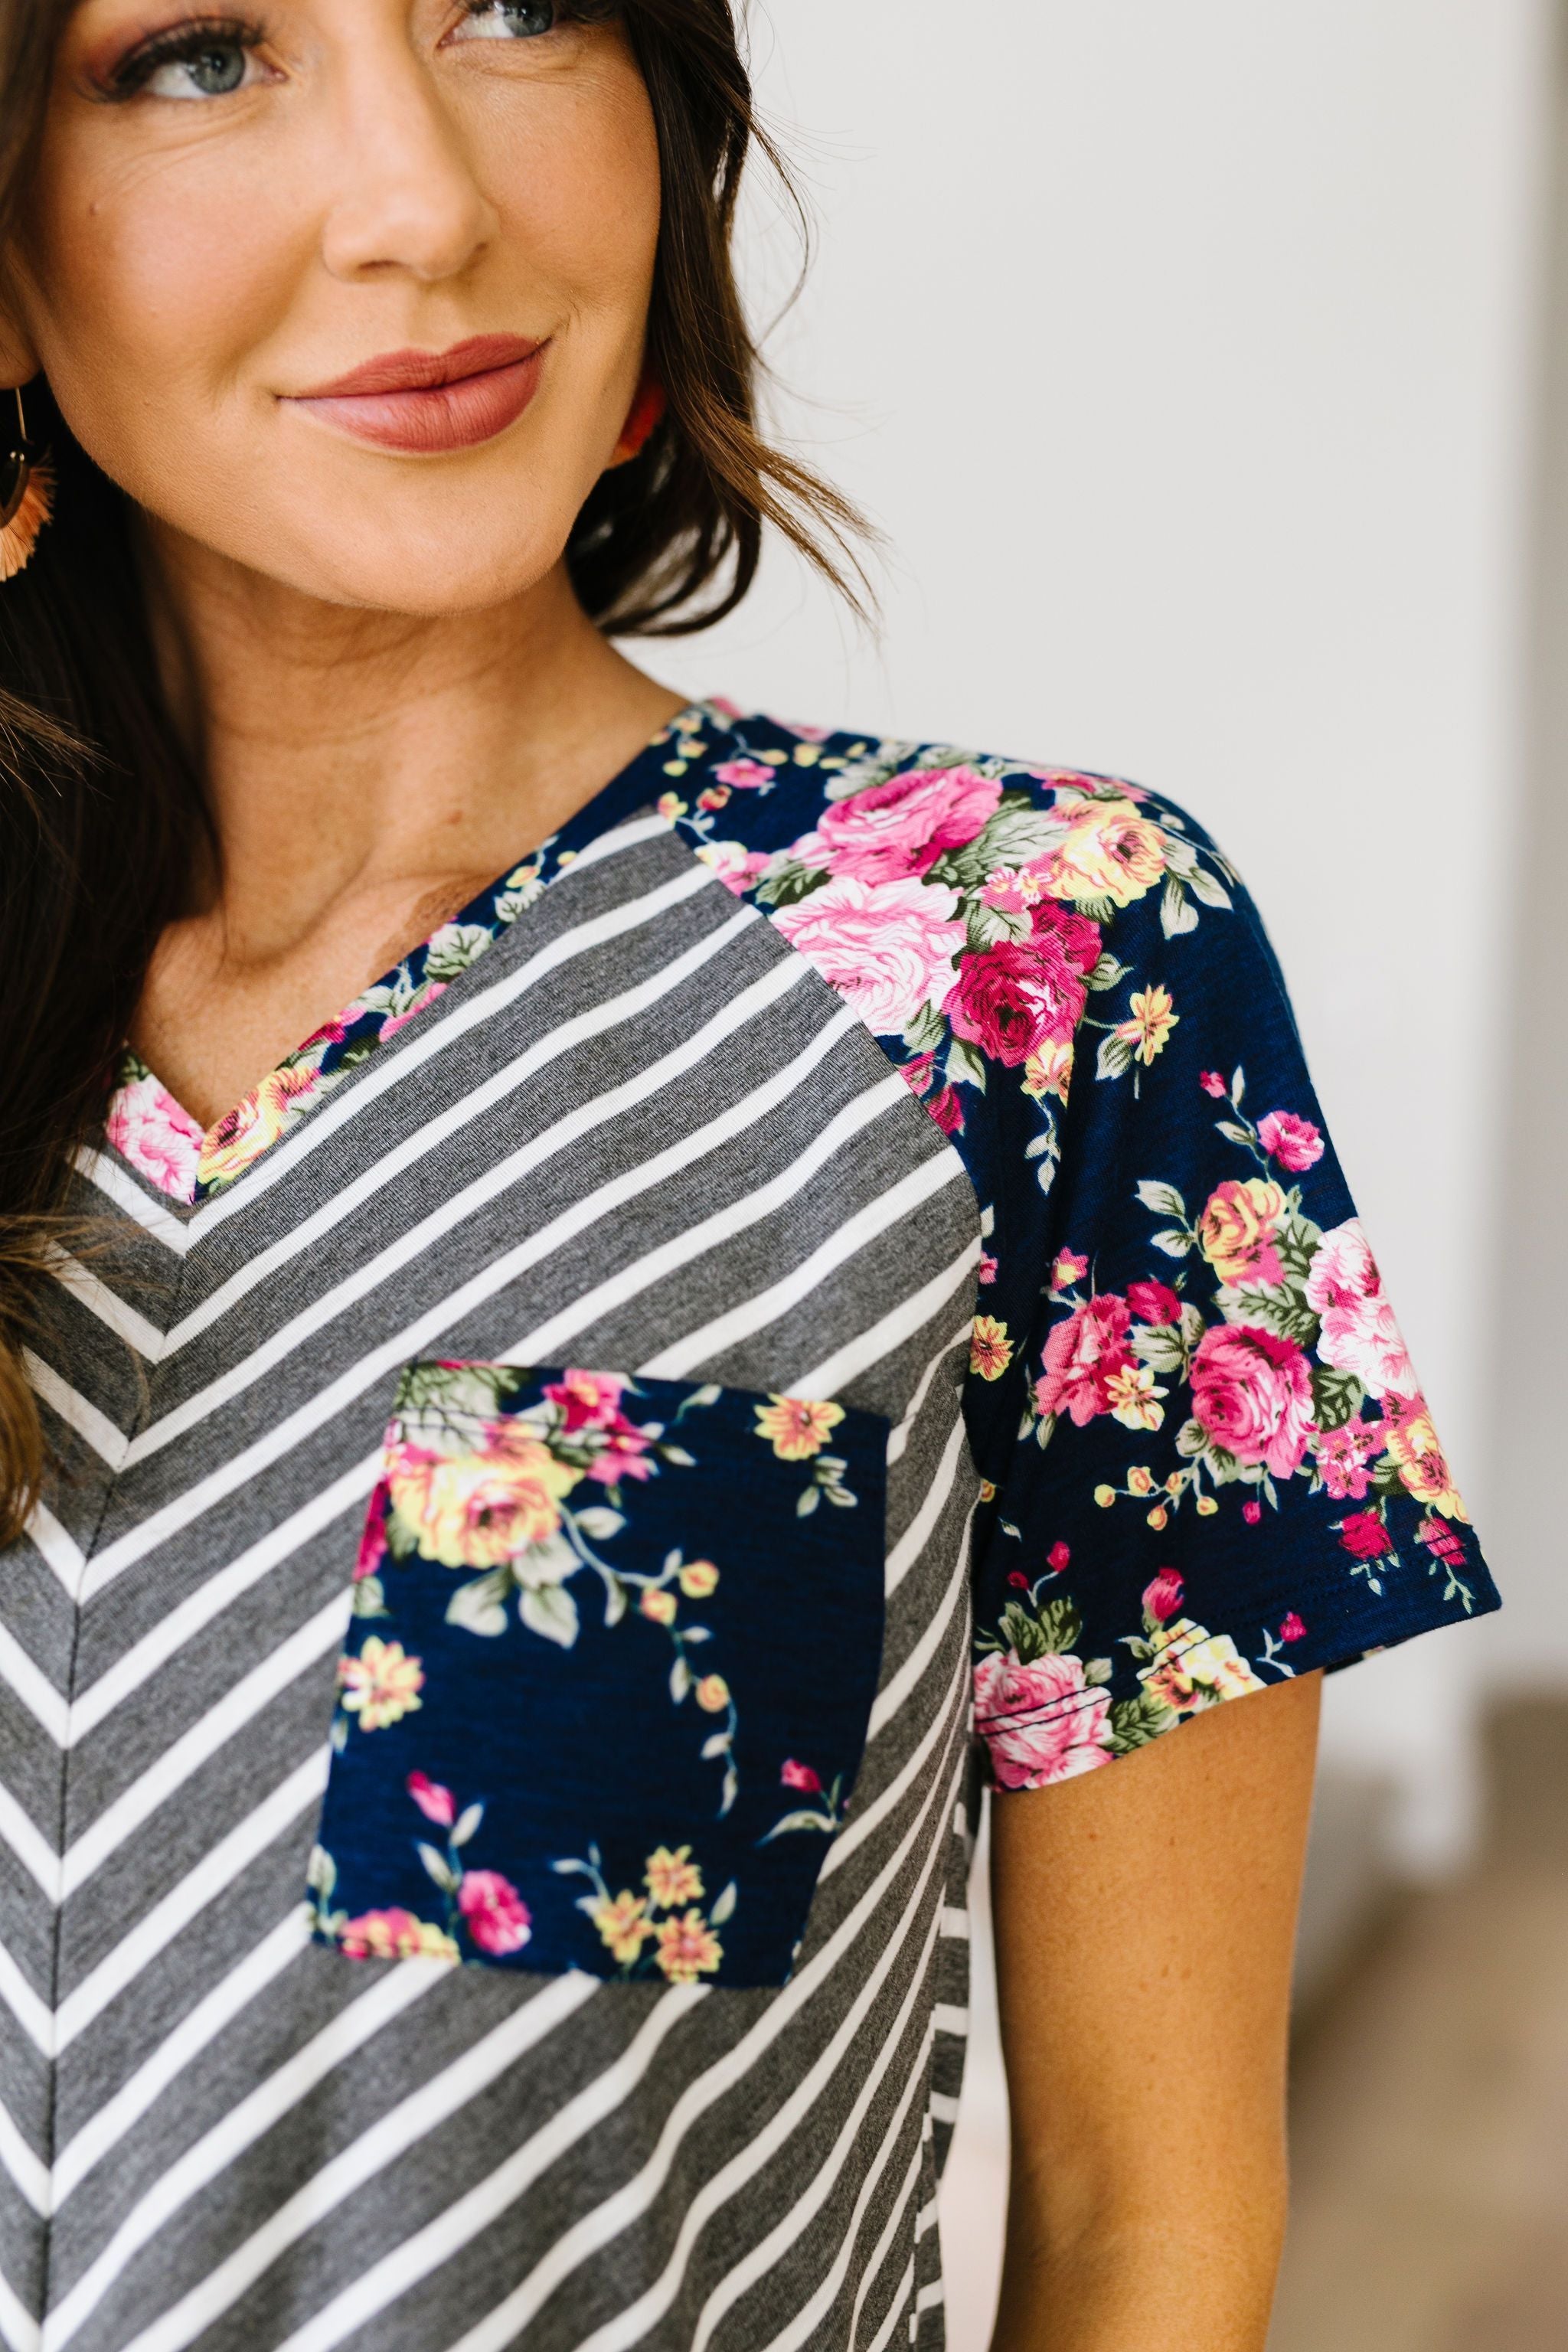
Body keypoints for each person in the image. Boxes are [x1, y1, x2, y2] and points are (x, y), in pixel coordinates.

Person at [0, 5, 1498, 2349]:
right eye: (199, 52)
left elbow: (1145, 2218)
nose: (422, 197)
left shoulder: (1027, 967)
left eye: (513, 2)